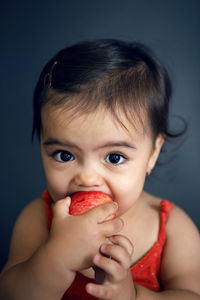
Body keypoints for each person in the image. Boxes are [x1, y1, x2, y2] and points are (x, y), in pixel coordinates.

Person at [0, 39, 200, 300]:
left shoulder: (171, 227)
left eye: (114, 157)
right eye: (65, 155)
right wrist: (55, 258)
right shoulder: (39, 219)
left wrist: (134, 296)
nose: (87, 178)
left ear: (152, 154)